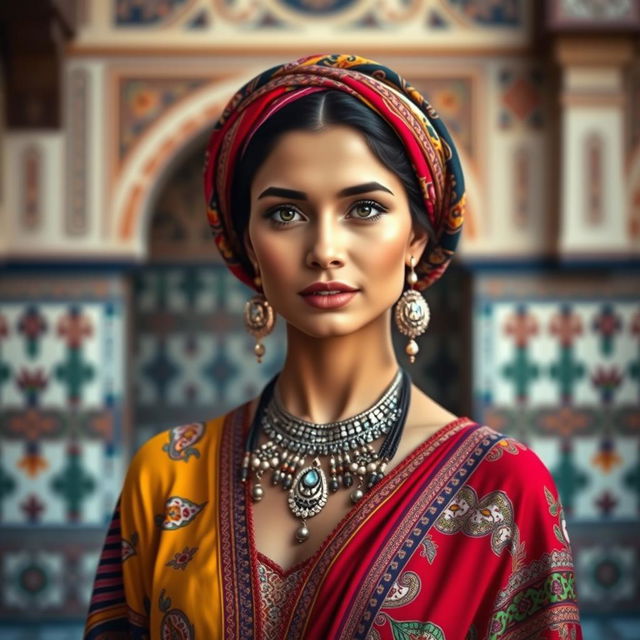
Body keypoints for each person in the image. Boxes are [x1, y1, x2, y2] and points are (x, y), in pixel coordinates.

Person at [84, 54, 582, 639]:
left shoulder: (503, 488)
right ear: (248, 241)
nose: (324, 247)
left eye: (364, 209)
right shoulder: (166, 476)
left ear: (416, 240)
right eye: (286, 212)